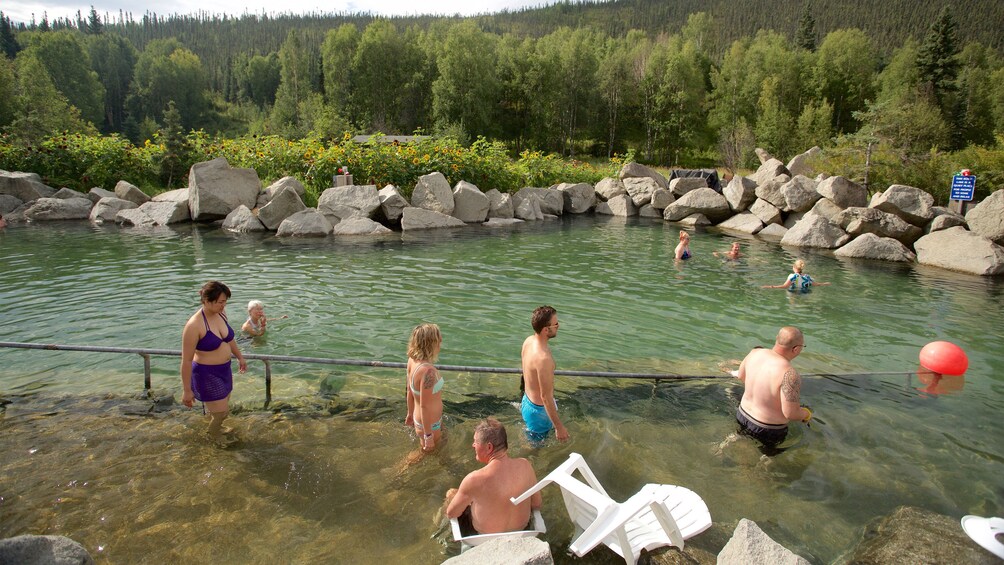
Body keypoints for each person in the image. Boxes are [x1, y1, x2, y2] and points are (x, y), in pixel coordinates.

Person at [444, 418, 542, 536]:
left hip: (483, 538)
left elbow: (451, 514)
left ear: (489, 447)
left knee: (451, 494)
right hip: (522, 532)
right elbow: (537, 504)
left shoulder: (473, 479)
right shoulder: (525, 466)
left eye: (475, 441)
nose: (473, 445)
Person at [180, 281, 248, 444]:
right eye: (220, 302)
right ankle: (213, 435)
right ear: (207, 301)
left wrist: (239, 356)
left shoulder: (221, 314)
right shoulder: (194, 325)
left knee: (223, 406)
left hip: (224, 370)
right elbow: (186, 360)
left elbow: (229, 339)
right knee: (221, 412)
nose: (223, 306)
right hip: (206, 374)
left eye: (225, 302)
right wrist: (187, 390)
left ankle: (215, 426)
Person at [735, 327, 812, 453]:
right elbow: (790, 414)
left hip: (742, 415)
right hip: (767, 429)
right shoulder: (789, 374)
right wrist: (807, 414)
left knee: (741, 437)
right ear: (796, 349)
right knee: (768, 457)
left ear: (777, 339)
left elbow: (741, 376)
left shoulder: (755, 352)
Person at [521, 306, 568, 442]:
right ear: (546, 329)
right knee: (536, 451)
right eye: (556, 324)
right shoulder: (543, 359)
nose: (558, 326)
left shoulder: (528, 341)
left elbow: (526, 374)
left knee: (532, 441)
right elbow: (545, 397)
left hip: (526, 400)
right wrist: (559, 427)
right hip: (538, 412)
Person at [405, 323, 444, 452]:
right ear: (430, 343)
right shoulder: (428, 372)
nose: (441, 341)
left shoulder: (412, 360)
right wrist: (428, 436)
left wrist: (410, 413)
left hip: (421, 420)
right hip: (429, 425)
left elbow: (409, 390)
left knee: (438, 450)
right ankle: (399, 471)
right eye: (438, 339)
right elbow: (424, 405)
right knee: (427, 455)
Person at [764, 259, 830, 292]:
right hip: (805, 293)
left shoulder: (792, 276)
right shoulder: (807, 277)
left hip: (794, 293)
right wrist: (825, 283)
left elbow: (785, 286)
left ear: (794, 267)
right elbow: (816, 284)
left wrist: (771, 286)